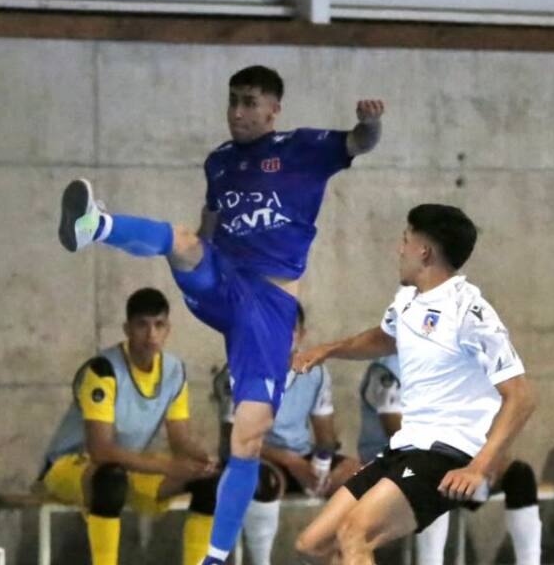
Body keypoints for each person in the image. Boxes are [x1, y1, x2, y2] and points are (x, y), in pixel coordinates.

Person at [57, 65, 384, 564]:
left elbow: (360, 142)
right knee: (183, 240)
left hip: (268, 307)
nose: (236, 112)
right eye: (232, 100)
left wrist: (370, 122)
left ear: (273, 109)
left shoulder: (303, 148)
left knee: (247, 439)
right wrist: (198, 260)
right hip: (223, 281)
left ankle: (213, 558)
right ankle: (96, 226)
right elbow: (208, 227)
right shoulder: (220, 162)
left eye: (249, 102)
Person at [292, 203, 536, 565]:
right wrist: (329, 349)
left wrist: (479, 467)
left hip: (448, 453)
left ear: (424, 251)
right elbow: (385, 337)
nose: (399, 249)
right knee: (313, 544)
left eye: (405, 240)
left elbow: (521, 396)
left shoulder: (470, 312)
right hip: (405, 447)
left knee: (354, 534)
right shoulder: (407, 300)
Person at [39, 288, 220, 565]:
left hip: (131, 467)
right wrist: (167, 466)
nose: (151, 335)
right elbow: (100, 451)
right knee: (110, 480)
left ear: (168, 329)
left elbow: (180, 439)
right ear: (127, 329)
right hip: (74, 465)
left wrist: (201, 459)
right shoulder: (103, 370)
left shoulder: (174, 371)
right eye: (142, 325)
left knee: (211, 482)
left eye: (158, 325)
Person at [212, 302, 360, 565]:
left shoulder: (316, 372)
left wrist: (322, 465)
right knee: (261, 480)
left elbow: (325, 437)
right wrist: (291, 462)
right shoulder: (238, 371)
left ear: (301, 335)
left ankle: (329, 556)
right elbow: (232, 442)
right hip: (259, 458)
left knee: (360, 476)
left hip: (301, 458)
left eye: (289, 329)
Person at [359, 355, 542, 565]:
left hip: (452, 457)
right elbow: (396, 430)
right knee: (433, 473)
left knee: (519, 474)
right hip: (394, 460)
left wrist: (486, 458)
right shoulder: (390, 368)